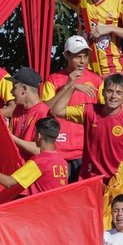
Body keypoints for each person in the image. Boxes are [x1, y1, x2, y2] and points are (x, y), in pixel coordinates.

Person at [51, 72, 123, 180]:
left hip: (117, 180)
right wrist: (72, 87)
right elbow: (56, 111)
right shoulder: (89, 111)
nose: (113, 96)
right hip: (90, 179)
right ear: (102, 92)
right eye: (109, 91)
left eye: (119, 93)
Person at [42, 35, 104, 182]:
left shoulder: (96, 81)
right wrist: (69, 86)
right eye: (77, 57)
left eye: (85, 56)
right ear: (66, 55)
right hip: (58, 150)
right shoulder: (53, 80)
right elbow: (44, 111)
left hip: (87, 151)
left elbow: (105, 113)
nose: (82, 61)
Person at [0, 117, 69, 195]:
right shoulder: (63, 162)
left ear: (39, 135)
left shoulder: (40, 162)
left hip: (41, 216)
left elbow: (9, 183)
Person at [5, 67, 53, 161]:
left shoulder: (44, 112)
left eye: (14, 87)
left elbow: (41, 149)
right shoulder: (18, 109)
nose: (11, 92)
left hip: (32, 172)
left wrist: (11, 137)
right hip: (16, 169)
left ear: (24, 89)